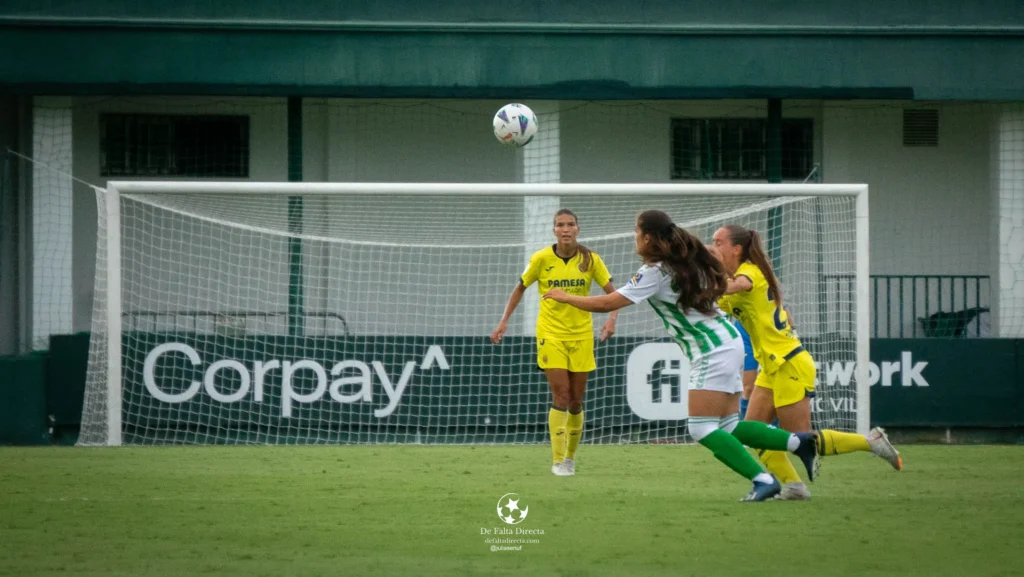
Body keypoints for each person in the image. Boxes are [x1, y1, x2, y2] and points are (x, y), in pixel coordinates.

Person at [543, 210, 820, 501]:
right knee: (729, 426)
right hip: (728, 339)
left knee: (700, 428)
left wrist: (566, 297)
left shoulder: (655, 272)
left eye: (637, 231)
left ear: (648, 237)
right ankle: (798, 443)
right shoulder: (686, 259)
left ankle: (763, 480)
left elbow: (609, 302)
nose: (635, 237)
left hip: (712, 348)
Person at [713, 225, 902, 501]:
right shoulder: (735, 281)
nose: (714, 246)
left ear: (736, 249)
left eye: (718, 242)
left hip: (790, 363)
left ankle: (871, 442)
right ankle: (794, 487)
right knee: (753, 432)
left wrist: (709, 280)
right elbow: (714, 303)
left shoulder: (750, 271)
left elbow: (739, 285)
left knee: (799, 437)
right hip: (772, 367)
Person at [491, 209, 617, 477]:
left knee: (576, 401)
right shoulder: (541, 258)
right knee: (561, 395)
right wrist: (504, 321)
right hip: (550, 334)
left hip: (581, 335)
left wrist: (611, 320)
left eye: (570, 224)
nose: (565, 229)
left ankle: (570, 457)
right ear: (554, 230)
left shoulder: (591, 259)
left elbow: (613, 294)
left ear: (578, 229)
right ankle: (558, 461)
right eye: (560, 225)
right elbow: (520, 288)